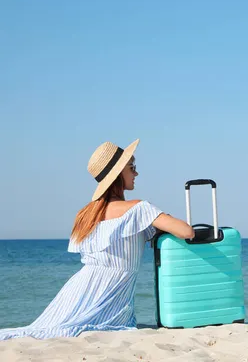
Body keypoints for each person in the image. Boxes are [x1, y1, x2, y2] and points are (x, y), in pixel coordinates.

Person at [0, 139, 194, 340]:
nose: (136, 173)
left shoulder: (87, 213)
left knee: (43, 332)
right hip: (108, 297)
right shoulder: (139, 209)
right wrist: (163, 216)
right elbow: (186, 231)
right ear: (119, 174)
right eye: (132, 167)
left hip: (80, 292)